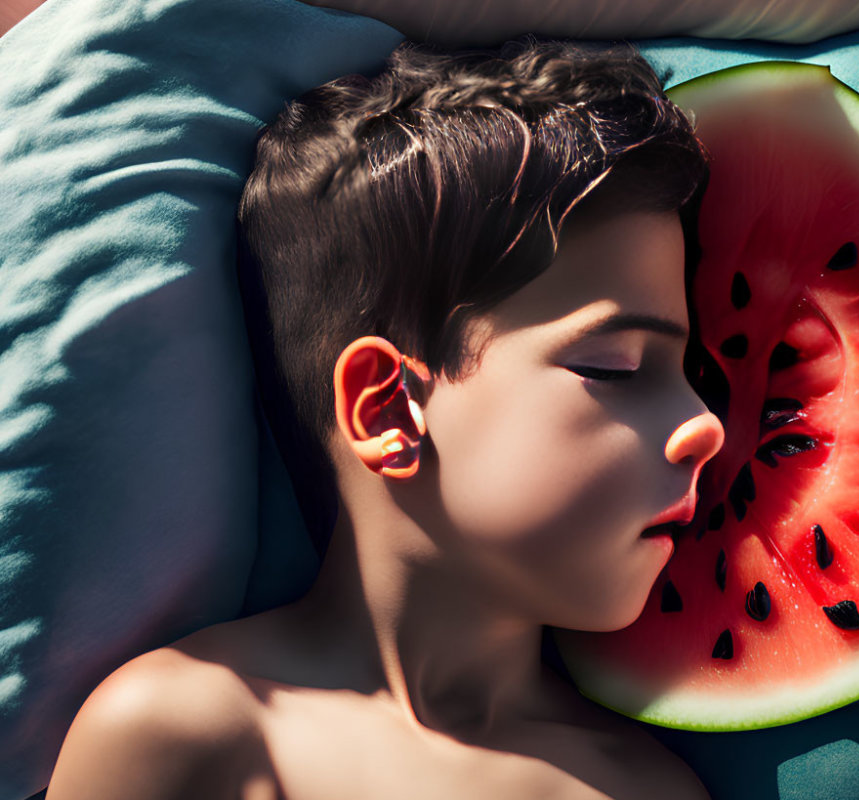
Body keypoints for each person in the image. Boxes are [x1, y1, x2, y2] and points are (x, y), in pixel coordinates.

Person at [46, 38, 724, 799]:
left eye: (694, 375)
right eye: (615, 368)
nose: (707, 425)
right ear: (388, 408)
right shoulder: (179, 730)